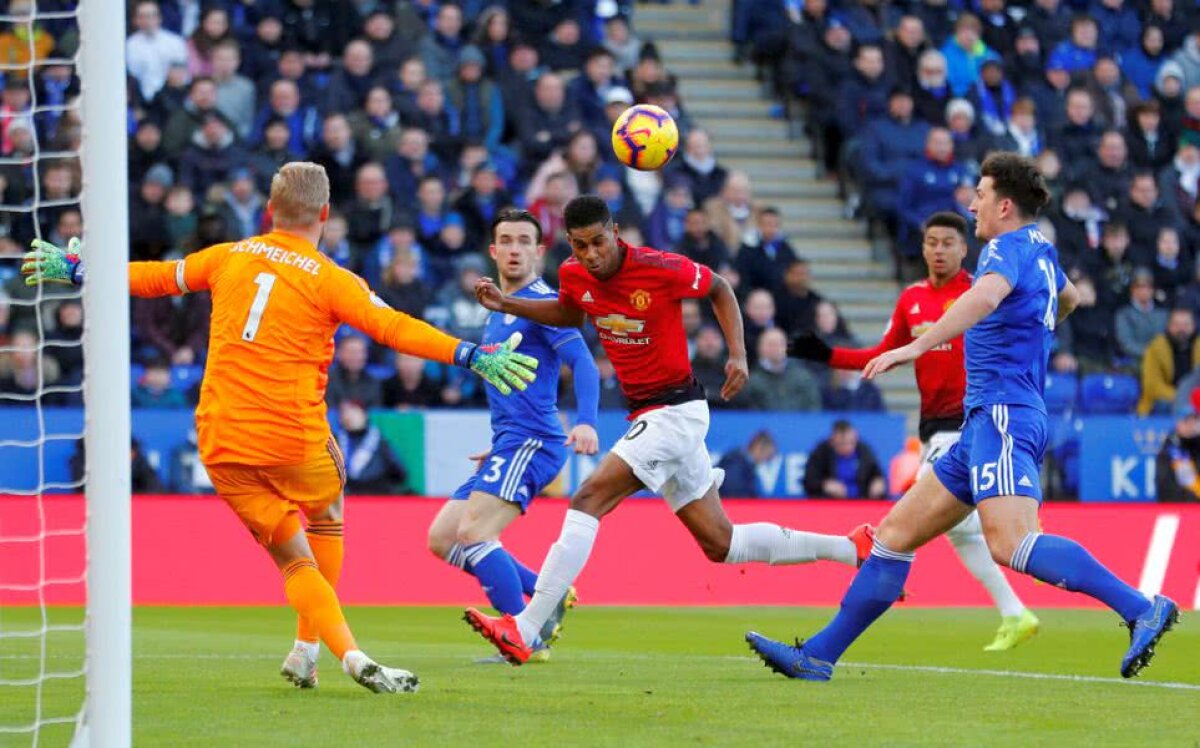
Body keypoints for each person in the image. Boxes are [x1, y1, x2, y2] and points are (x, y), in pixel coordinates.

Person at [20, 162, 538, 694]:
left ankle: (327, 653)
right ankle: (316, 645)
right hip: (293, 438)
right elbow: (392, 327)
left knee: (293, 560)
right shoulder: (332, 278)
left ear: (270, 210)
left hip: (221, 440)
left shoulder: (228, 255)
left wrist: (80, 270)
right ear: (325, 213)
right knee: (327, 516)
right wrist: (470, 354)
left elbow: (155, 277)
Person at [747, 153, 1179, 682]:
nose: (972, 204)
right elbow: (1067, 299)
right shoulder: (1041, 251)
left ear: (1004, 205)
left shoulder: (1004, 247)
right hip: (983, 424)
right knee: (893, 536)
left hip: (1003, 414)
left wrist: (919, 345)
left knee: (1010, 544)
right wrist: (1031, 330)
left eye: (980, 194)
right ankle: (817, 656)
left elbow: (987, 295)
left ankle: (1141, 607)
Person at [463, 195, 871, 665]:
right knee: (723, 543)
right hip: (651, 415)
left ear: (615, 233)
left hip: (675, 411)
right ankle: (850, 548)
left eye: (598, 242)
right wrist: (507, 302)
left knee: (588, 498)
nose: (591, 254)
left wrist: (738, 354)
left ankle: (526, 628)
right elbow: (569, 315)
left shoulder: (658, 267)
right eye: (580, 245)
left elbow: (719, 287)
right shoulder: (574, 275)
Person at [790, 210, 1039, 651]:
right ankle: (1015, 607)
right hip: (932, 428)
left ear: (964, 249)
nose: (939, 251)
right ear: (922, 248)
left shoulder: (983, 292)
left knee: (917, 516)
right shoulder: (912, 299)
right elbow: (885, 352)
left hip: (968, 423)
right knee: (960, 528)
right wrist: (828, 355)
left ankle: (879, 565)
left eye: (948, 243)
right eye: (932, 243)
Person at [426, 209, 601, 663]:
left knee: (474, 532)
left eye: (525, 241)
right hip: (510, 440)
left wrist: (586, 420)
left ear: (539, 251)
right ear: (493, 251)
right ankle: (549, 595)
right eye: (506, 240)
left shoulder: (544, 304)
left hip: (534, 441)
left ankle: (524, 638)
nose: (515, 249)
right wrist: (501, 440)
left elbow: (583, 363)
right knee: (443, 538)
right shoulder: (499, 309)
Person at [801, 421, 886, 499]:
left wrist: (878, 482)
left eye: (851, 442)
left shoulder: (864, 450)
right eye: (842, 444)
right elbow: (808, 480)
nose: (847, 447)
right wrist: (824, 485)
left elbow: (877, 473)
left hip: (862, 500)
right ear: (832, 441)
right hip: (831, 503)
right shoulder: (821, 453)